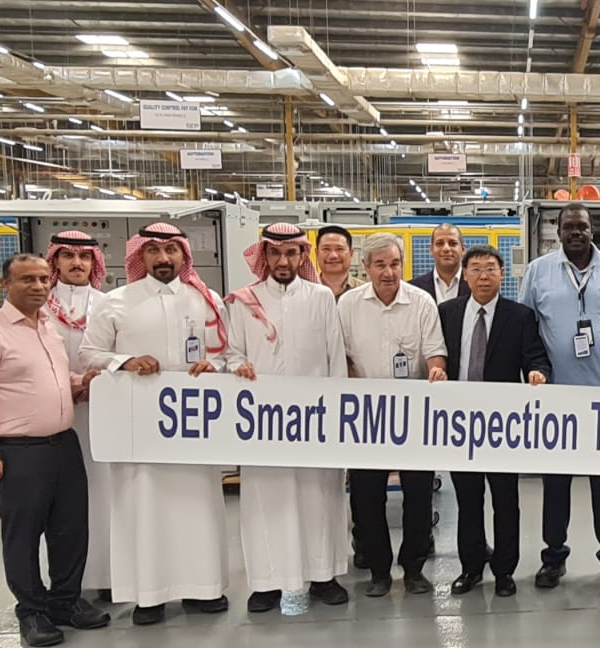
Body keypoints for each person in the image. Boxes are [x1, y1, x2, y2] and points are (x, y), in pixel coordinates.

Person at [79, 223, 231, 626]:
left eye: (171, 250)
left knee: (197, 506)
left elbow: (228, 352)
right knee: (143, 507)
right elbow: (89, 353)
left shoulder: (207, 300)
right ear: (139, 256)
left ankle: (204, 589)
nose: (163, 258)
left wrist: (214, 364)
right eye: (153, 251)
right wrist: (125, 361)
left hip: (195, 425)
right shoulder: (115, 302)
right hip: (140, 429)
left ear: (184, 255)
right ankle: (149, 597)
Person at [0, 254, 110, 647]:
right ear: (5, 284)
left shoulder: (48, 328)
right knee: (23, 536)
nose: (39, 287)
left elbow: (55, 379)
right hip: (18, 451)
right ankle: (32, 612)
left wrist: (83, 383)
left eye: (44, 279)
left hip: (63, 445)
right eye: (27, 280)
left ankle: (65, 602)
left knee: (70, 530)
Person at [223, 224, 352, 613]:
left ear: (301, 256)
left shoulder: (321, 297)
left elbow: (335, 357)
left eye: (291, 253)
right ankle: (266, 584)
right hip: (262, 423)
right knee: (267, 500)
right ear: (264, 255)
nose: (283, 261)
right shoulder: (243, 301)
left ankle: (324, 576)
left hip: (315, 420)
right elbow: (230, 352)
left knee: (319, 497)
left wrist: (337, 416)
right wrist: (238, 365)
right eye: (275, 253)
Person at [518, 202, 600, 590]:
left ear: (592, 230)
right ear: (558, 231)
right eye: (568, 227)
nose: (575, 233)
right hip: (556, 399)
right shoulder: (538, 271)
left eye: (582, 227)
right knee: (556, 485)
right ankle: (553, 558)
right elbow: (527, 329)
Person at [337, 232, 449, 597]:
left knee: (419, 494)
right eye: (380, 265)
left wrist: (437, 369)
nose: (389, 272)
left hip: (413, 415)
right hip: (366, 416)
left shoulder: (422, 302)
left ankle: (414, 568)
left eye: (395, 264)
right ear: (366, 267)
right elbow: (341, 356)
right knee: (367, 497)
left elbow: (435, 351)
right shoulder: (348, 305)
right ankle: (379, 571)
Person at [439, 245, 551, 598]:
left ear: (502, 275)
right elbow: (437, 355)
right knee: (468, 500)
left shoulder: (519, 316)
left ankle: (504, 570)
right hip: (460, 423)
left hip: (502, 425)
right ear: (465, 275)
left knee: (505, 501)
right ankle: (471, 567)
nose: (483, 276)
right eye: (475, 269)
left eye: (490, 268)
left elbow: (535, 356)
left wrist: (537, 372)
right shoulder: (447, 313)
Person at [41, 231, 116, 598]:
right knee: (60, 502)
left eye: (84, 257)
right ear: (55, 261)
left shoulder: (109, 305)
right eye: (68, 256)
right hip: (52, 417)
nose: (76, 263)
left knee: (104, 494)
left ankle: (108, 577)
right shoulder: (39, 307)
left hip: (102, 414)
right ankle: (68, 583)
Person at [409, 223, 471, 303]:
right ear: (431, 249)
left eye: (452, 243)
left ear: (463, 249)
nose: (446, 248)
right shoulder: (414, 288)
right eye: (439, 243)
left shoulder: (476, 286)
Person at [316, 225, 365, 300]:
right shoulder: (304, 293)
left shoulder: (366, 291)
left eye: (339, 249)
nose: (333, 255)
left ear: (351, 253)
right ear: (316, 253)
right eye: (326, 249)